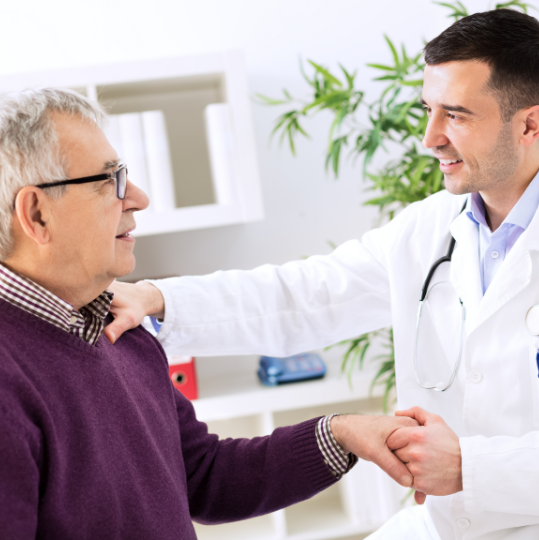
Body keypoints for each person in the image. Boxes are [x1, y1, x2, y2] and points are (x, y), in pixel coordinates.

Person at [106, 9, 539, 540]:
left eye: (456, 115)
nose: (429, 138)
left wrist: (473, 468)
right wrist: (157, 300)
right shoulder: (427, 230)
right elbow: (304, 295)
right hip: (443, 525)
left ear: (529, 124)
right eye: (429, 109)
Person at [0, 87, 421, 539]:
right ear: (37, 214)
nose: (138, 198)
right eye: (110, 181)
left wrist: (340, 434)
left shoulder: (119, 329)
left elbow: (202, 475)